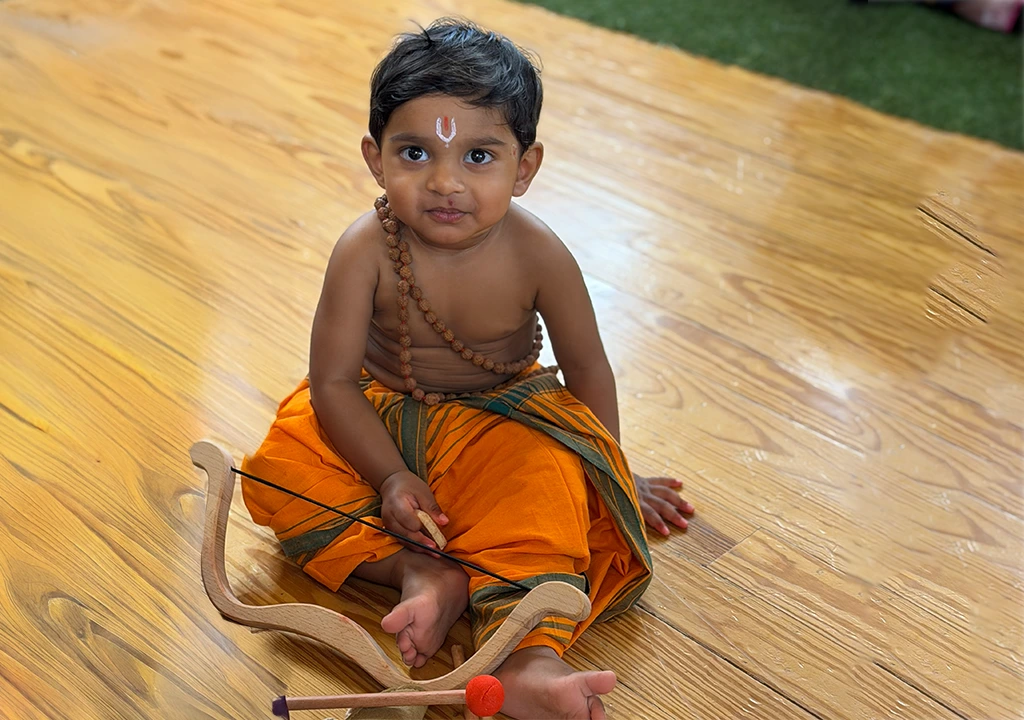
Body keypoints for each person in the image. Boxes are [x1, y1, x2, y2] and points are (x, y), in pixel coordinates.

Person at [240, 18, 693, 719]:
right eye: (415, 152)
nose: (445, 183)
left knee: (544, 497)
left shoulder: (539, 254)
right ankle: (421, 572)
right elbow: (331, 383)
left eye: (479, 156)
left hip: (502, 425)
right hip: (376, 415)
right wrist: (389, 475)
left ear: (527, 167)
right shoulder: (363, 250)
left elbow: (588, 370)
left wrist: (607, 470)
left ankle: (529, 663)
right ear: (373, 157)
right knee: (277, 470)